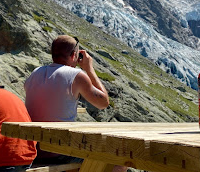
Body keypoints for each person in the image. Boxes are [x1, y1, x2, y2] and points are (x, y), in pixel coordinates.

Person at [25, 35, 126, 171]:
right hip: (57, 153)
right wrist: (89, 69)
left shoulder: (35, 73)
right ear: (74, 55)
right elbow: (103, 103)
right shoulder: (76, 75)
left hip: (33, 149)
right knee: (120, 158)